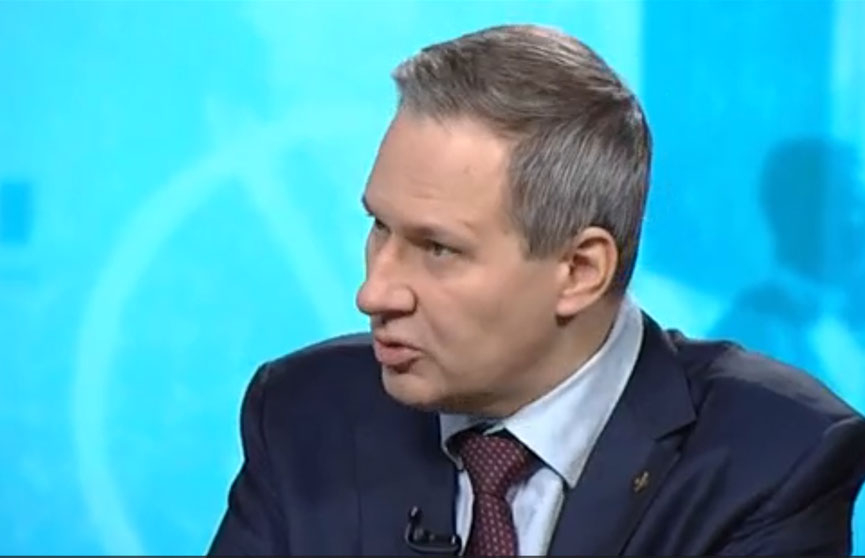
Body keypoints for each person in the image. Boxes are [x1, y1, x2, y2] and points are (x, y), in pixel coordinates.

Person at [208, 24, 865, 556]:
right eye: (380, 227)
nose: (374, 292)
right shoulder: (305, 413)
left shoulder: (772, 457)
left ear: (579, 270)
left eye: (438, 249)